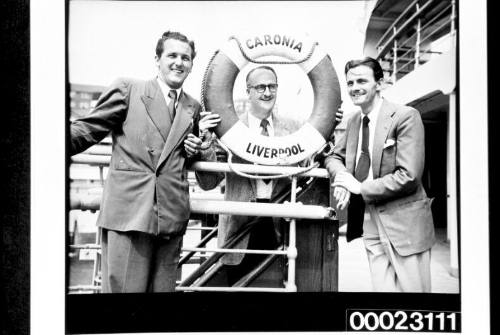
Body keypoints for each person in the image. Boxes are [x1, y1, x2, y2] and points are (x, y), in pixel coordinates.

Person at [70, 31, 217, 293]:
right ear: (157, 59)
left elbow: (202, 174)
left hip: (170, 219)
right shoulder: (129, 90)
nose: (179, 62)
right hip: (130, 216)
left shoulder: (192, 108)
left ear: (192, 65)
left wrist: (198, 146)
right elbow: (86, 130)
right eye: (172, 55)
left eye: (186, 58)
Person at [198, 65, 342, 286]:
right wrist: (206, 141)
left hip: (279, 227)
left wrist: (329, 127)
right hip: (240, 226)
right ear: (249, 91)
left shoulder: (293, 128)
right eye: (260, 87)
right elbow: (209, 183)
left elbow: (311, 163)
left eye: (272, 86)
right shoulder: (229, 130)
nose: (267, 92)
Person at [324, 57, 435, 292]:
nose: (355, 88)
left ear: (380, 83)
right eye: (350, 83)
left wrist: (360, 188)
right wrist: (344, 178)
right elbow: (333, 157)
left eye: (362, 81)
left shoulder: (405, 116)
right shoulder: (354, 121)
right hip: (368, 221)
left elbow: (409, 176)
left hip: (404, 225)